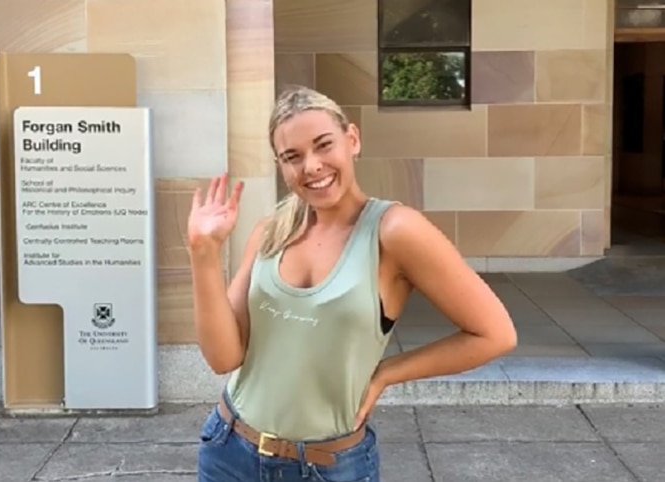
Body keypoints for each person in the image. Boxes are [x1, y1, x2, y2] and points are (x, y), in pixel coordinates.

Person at [187, 85, 517, 481]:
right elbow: (223, 358)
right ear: (281, 165)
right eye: (292, 157)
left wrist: (385, 374)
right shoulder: (270, 233)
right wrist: (203, 254)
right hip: (230, 452)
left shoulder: (394, 231)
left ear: (353, 139)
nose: (311, 166)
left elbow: (495, 334)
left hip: (330, 466)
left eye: (323, 145)